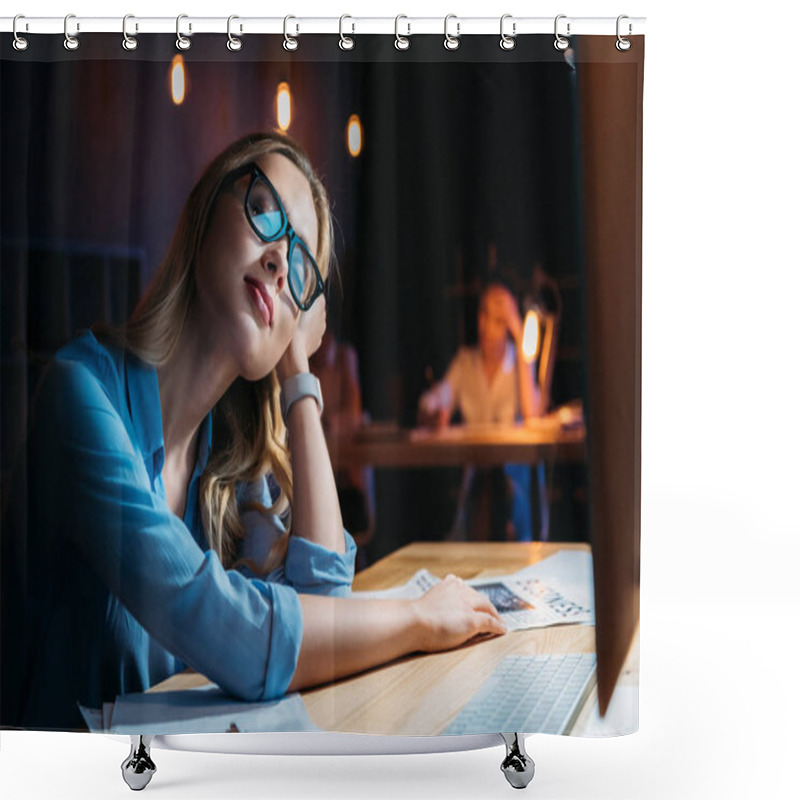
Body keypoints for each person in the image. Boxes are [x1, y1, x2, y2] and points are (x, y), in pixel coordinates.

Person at [0, 131, 506, 731]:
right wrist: (417, 618)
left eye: (301, 267)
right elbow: (222, 626)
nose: (278, 261)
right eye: (266, 213)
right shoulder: (79, 392)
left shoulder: (228, 458)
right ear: (206, 210)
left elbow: (324, 609)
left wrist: (297, 374)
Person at [417, 283, 541, 542]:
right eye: (485, 316)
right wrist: (433, 413)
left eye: (499, 320)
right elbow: (433, 399)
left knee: (505, 494)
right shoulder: (465, 363)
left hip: (513, 483)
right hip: (476, 484)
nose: (488, 326)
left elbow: (532, 413)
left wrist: (520, 338)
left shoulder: (519, 363)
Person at [309, 324, 376, 569]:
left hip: (345, 477)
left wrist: (321, 421)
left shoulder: (344, 357)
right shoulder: (302, 362)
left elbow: (353, 414)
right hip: (314, 475)